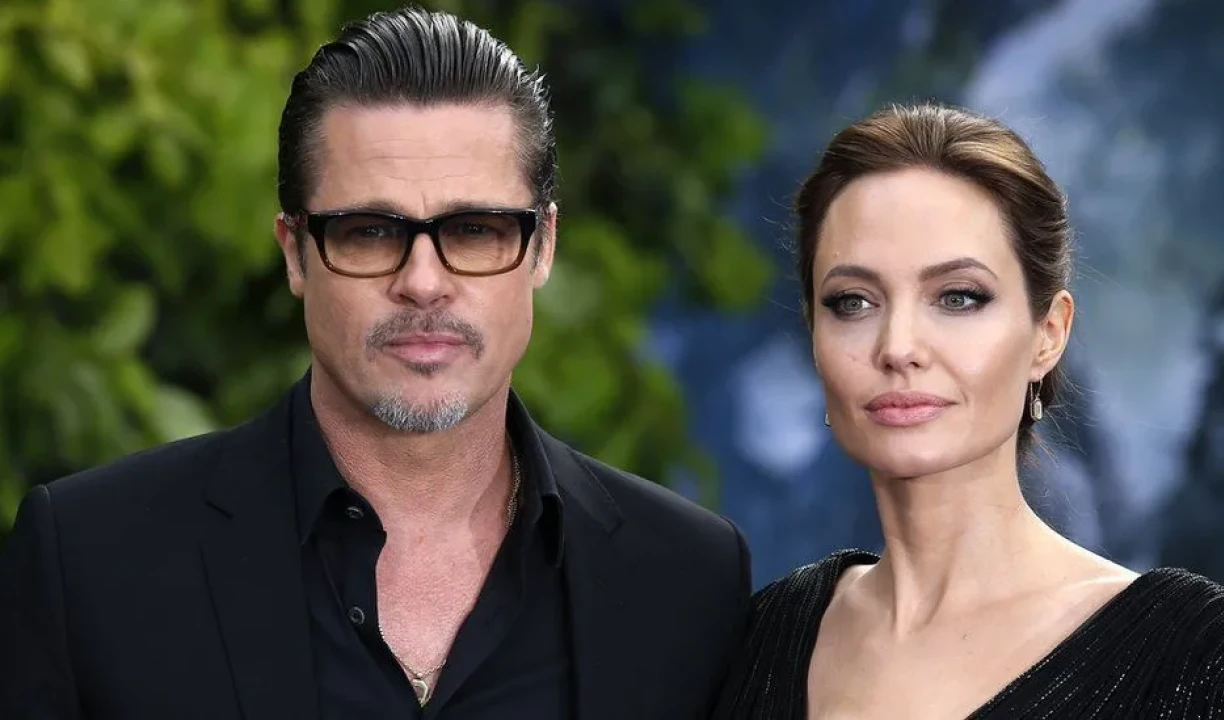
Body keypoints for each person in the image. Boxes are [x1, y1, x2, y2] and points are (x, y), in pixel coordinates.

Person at [0, 7, 751, 719]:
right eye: (368, 232)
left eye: (475, 229)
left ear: (543, 246)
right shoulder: (91, 563)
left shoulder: (688, 580)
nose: (423, 282)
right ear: (295, 252)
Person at [713, 103, 1224, 718]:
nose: (898, 347)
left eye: (958, 297)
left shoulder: (1201, 665)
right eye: (853, 301)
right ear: (814, 333)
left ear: (1049, 335)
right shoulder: (764, 635)